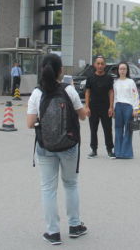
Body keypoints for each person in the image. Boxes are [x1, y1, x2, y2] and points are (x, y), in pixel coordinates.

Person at [27, 54, 88, 245]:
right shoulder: (68, 90)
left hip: (45, 147)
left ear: (42, 70)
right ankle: (75, 225)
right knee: (70, 184)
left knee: (48, 189)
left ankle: (53, 232)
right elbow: (83, 116)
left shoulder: (37, 93)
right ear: (60, 71)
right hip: (69, 146)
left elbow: (30, 123)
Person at [84, 56, 115, 159]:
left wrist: (111, 107)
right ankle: (94, 150)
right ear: (95, 65)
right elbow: (87, 92)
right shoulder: (90, 77)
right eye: (98, 63)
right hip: (93, 107)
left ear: (105, 65)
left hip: (105, 107)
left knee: (107, 129)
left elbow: (111, 92)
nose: (100, 66)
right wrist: (87, 107)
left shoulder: (109, 78)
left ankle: (110, 150)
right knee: (93, 129)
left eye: (102, 64)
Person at [113, 62, 139, 160]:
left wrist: (135, 108)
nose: (122, 71)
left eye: (124, 69)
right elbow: (114, 96)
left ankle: (126, 153)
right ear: (118, 70)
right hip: (118, 106)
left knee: (128, 129)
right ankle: (118, 152)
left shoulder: (130, 82)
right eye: (121, 69)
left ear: (127, 70)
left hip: (128, 107)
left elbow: (135, 95)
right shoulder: (115, 82)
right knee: (118, 129)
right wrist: (113, 108)